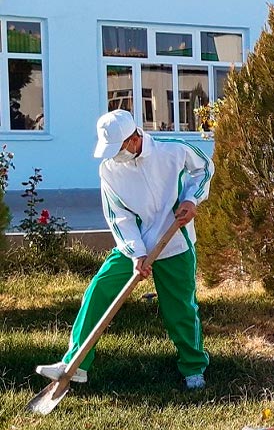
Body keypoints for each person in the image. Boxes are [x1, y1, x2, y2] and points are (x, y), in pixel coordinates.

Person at [35, 109, 214, 390]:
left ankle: (193, 368)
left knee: (180, 307)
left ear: (133, 139)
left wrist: (191, 198)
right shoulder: (109, 169)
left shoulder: (172, 151)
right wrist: (136, 253)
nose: (112, 155)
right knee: (99, 290)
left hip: (175, 241)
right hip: (134, 244)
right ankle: (75, 364)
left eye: (116, 148)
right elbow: (119, 215)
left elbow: (204, 167)